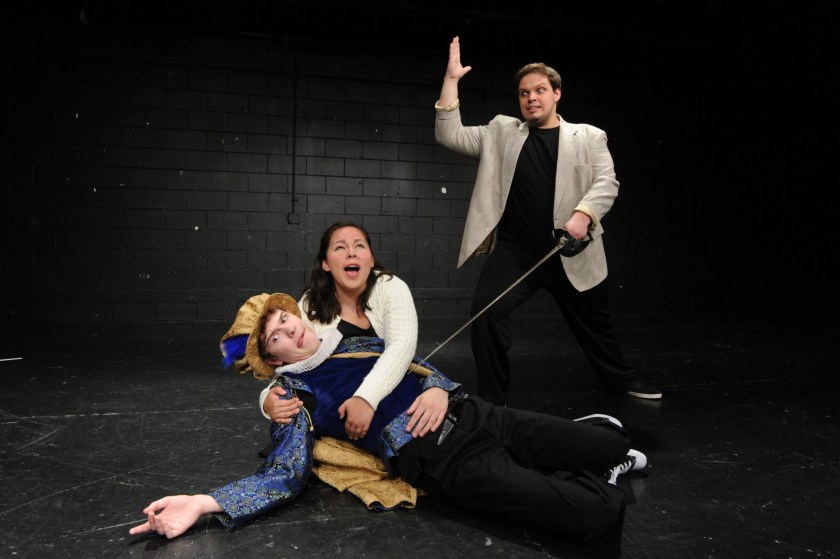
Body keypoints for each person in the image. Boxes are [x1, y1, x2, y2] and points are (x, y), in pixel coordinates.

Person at [130, 293, 648, 541]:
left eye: (287, 321)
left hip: (478, 414)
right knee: (595, 518)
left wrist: (442, 390)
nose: (291, 334)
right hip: (446, 461)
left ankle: (590, 453)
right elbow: (283, 475)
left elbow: (417, 364)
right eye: (276, 339)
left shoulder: (351, 336)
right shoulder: (293, 394)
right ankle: (573, 473)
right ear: (275, 359)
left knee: (613, 445)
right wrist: (204, 502)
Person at [434, 36, 661, 404]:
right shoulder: (500, 132)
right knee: (486, 312)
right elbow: (448, 134)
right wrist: (451, 79)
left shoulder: (588, 136)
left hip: (570, 249)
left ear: (557, 93)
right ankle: (492, 400)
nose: (531, 98)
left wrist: (583, 215)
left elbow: (607, 182)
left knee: (595, 326)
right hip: (518, 251)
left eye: (540, 90)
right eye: (524, 93)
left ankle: (620, 382)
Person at [223, 220, 420, 441]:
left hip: (393, 396)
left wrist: (366, 399)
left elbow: (402, 347)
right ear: (325, 263)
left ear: (371, 259)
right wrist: (267, 400)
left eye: (359, 246)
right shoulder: (311, 303)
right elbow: (290, 360)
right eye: (340, 247)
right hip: (343, 414)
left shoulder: (391, 287)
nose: (351, 253)